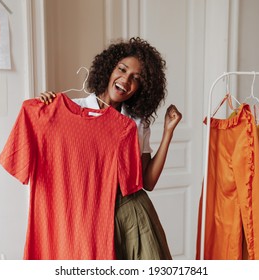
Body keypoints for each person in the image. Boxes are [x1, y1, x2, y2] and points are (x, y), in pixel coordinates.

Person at [39, 37, 182, 260]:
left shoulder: (137, 122)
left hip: (130, 216)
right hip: (86, 214)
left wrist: (168, 132)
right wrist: (45, 110)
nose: (126, 80)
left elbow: (148, 182)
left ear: (142, 87)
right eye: (122, 70)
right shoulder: (73, 110)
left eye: (136, 78)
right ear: (109, 68)